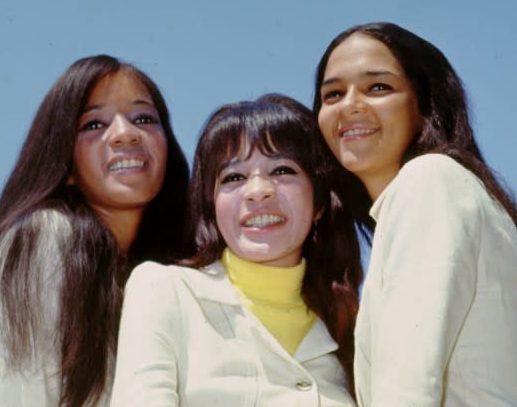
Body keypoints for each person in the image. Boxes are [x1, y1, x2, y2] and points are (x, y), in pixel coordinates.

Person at [313, 21, 517, 406]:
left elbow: (407, 388)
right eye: (333, 94)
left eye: (379, 87)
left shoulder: (429, 182)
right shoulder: (437, 193)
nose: (350, 104)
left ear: (425, 104)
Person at [0, 55, 190, 406]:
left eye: (143, 118)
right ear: (64, 164)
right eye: (94, 124)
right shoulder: (44, 237)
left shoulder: (156, 278)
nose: (125, 134)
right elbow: (20, 395)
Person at [110, 94, 363, 406]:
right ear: (211, 204)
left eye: (282, 170)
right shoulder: (165, 290)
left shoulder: (354, 329)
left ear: (320, 203)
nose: (258, 191)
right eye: (233, 177)